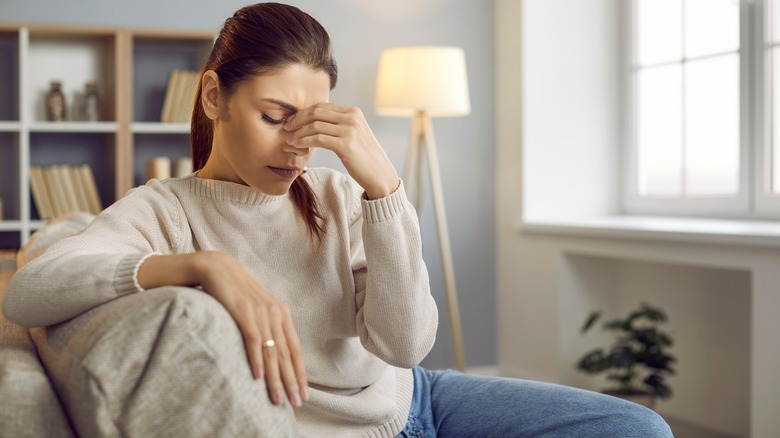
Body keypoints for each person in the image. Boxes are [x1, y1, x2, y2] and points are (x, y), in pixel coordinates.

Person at [3, 3, 673, 437]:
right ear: (214, 96)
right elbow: (30, 289)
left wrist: (383, 188)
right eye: (274, 117)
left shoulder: (333, 192)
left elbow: (405, 345)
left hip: (420, 400)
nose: (297, 145)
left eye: (313, 121)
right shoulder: (165, 212)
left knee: (641, 432)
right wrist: (206, 266)